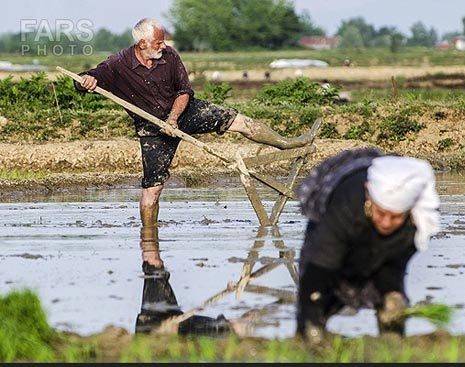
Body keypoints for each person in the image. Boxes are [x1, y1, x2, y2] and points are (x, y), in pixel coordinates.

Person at [75, 18, 312, 227]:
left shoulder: (169, 56)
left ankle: (285, 143)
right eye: (158, 42)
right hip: (152, 129)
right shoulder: (118, 64)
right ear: (142, 44)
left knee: (238, 120)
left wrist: (173, 118)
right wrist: (85, 81)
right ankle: (149, 237)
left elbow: (184, 91)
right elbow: (89, 78)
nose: (164, 46)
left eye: (163, 41)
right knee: (152, 189)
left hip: (184, 112)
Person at [295, 148, 440, 341]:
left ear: (409, 212)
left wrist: (392, 295)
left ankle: (393, 343)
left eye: (395, 217)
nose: (386, 222)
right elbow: (319, 267)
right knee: (319, 294)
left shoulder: (416, 224)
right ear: (369, 197)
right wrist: (311, 323)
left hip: (376, 198)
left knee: (392, 303)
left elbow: (391, 267)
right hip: (340, 194)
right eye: (381, 213)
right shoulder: (345, 206)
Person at [136, 225, 253, 336]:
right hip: (158, 331)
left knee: (153, 265)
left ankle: (229, 328)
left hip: (155, 325)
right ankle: (229, 329)